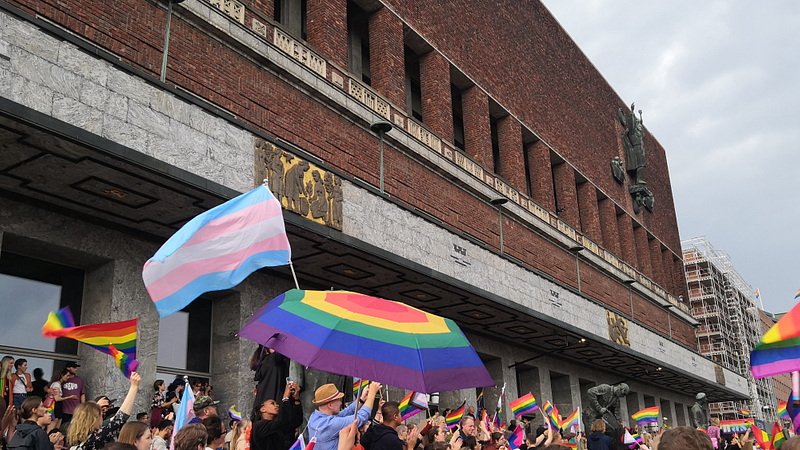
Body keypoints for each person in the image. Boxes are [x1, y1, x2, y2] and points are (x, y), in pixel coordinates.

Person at [66, 372, 140, 450]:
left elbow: (114, 419)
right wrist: (134, 387)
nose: (103, 417)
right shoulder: (96, 438)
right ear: (94, 419)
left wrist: (95, 407)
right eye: (101, 415)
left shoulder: (74, 439)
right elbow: (120, 419)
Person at [308, 382, 381, 450]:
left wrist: (361, 400)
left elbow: (344, 413)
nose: (340, 403)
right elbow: (361, 417)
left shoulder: (314, 417)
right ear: (330, 405)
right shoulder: (330, 424)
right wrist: (372, 394)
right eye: (339, 400)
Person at [250, 382, 302, 450]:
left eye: (276, 403)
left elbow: (297, 421)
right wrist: (285, 398)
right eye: (272, 403)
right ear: (263, 409)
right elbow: (283, 420)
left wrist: (296, 399)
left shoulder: (276, 427)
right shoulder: (259, 426)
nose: (277, 405)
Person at [250, 347, 289, 422]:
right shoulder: (271, 359)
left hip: (265, 406)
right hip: (273, 404)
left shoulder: (265, 363)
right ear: (265, 350)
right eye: (274, 346)